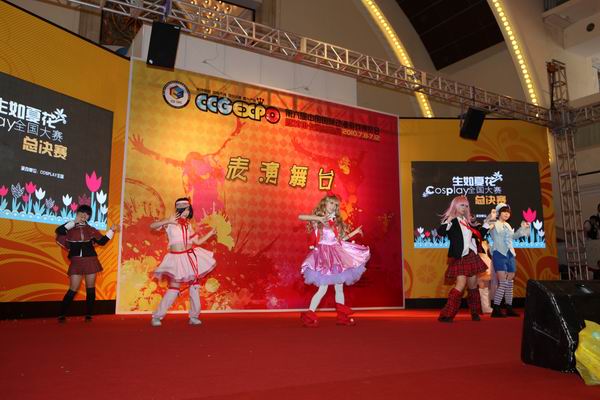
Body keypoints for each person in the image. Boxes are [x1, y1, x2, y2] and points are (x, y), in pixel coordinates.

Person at [298, 194, 369, 327]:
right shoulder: (318, 220)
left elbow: (340, 240)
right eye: (331, 203)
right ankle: (309, 316)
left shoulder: (335, 222)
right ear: (324, 204)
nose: (333, 206)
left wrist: (355, 232)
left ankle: (342, 317)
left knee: (339, 288)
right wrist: (319, 218)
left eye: (336, 204)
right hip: (324, 256)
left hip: (336, 255)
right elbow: (300, 217)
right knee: (322, 289)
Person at [150, 198, 216, 326]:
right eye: (184, 209)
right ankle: (157, 316)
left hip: (189, 257)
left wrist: (211, 233)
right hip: (176, 258)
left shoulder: (188, 225)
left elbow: (198, 242)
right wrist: (168, 221)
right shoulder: (170, 222)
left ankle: (194, 316)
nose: (186, 212)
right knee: (173, 289)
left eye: (188, 210)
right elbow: (152, 226)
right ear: (178, 209)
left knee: (194, 287)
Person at [56, 204, 118, 322]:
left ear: (89, 216)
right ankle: (62, 314)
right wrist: (74, 222)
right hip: (76, 262)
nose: (84, 215)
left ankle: (89, 314)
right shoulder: (70, 227)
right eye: (82, 213)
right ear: (77, 213)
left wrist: (111, 230)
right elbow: (59, 231)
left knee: (90, 288)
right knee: (73, 288)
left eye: (87, 214)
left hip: (90, 260)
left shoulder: (91, 229)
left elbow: (102, 242)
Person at [437, 196, 490, 323]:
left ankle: (475, 313)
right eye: (462, 205)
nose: (464, 208)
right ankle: (448, 314)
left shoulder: (467, 221)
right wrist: (448, 220)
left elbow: (479, 235)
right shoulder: (453, 221)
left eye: (466, 206)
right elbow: (441, 232)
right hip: (460, 257)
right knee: (460, 284)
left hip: (471, 255)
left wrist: (487, 222)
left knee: (472, 286)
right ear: (455, 206)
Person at [488, 203, 530, 317]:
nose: (507, 214)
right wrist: (492, 217)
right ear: (499, 213)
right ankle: (496, 309)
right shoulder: (494, 223)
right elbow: (487, 226)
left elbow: (513, 237)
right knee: (503, 282)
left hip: (510, 254)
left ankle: (509, 307)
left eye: (508, 212)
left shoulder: (507, 225)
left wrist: (523, 228)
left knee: (510, 282)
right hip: (499, 253)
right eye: (504, 211)